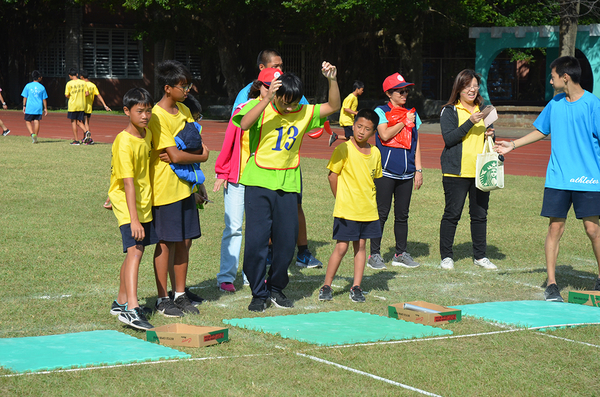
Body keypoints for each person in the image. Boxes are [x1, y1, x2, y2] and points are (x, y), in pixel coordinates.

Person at [233, 61, 340, 312]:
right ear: (276, 94)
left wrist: (332, 80)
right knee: (257, 242)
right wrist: (267, 99)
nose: (290, 106)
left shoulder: (303, 112)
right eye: (285, 101)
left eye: (295, 101)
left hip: (289, 184)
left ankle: (276, 288)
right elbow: (244, 124)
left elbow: (334, 106)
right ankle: (258, 292)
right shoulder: (259, 107)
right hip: (258, 182)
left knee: (286, 241)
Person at [495, 56, 600, 301]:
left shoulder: (594, 105)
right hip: (558, 178)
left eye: (552, 75)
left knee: (593, 229)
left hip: (589, 179)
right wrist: (512, 145)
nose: (550, 80)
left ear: (565, 77)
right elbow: (542, 130)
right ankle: (552, 285)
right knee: (555, 228)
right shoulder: (555, 103)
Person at [232, 49, 322, 269]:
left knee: (294, 210)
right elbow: (239, 128)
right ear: (262, 69)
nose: (280, 70)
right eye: (275, 66)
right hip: (259, 171)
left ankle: (302, 252)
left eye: (282, 65)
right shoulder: (249, 95)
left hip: (288, 168)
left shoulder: (289, 89)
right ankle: (264, 259)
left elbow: (307, 113)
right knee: (260, 223)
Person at [149, 60, 209, 317]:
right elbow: (174, 155)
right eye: (182, 86)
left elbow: (198, 147)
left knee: (184, 242)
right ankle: (163, 299)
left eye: (188, 85)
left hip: (185, 188)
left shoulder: (184, 110)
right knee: (166, 243)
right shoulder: (156, 116)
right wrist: (199, 156)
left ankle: (180, 294)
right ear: (167, 88)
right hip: (165, 190)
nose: (187, 90)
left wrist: (199, 160)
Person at [213, 68, 276, 293]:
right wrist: (222, 171)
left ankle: (253, 276)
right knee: (234, 227)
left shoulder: (280, 112)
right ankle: (226, 277)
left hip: (263, 179)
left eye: (277, 86)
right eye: (269, 85)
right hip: (238, 178)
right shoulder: (243, 109)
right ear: (259, 85)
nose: (272, 90)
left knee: (259, 231)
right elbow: (230, 139)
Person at [319, 109, 382, 303]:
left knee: (361, 246)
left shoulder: (376, 152)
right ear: (353, 126)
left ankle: (356, 287)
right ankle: (326, 285)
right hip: (347, 210)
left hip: (368, 210)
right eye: (359, 126)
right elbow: (332, 176)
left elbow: (374, 179)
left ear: (373, 133)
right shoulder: (343, 149)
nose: (362, 131)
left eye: (367, 129)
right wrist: (341, 198)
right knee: (341, 247)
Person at [107, 87, 158, 330]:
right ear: (127, 111)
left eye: (148, 111)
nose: (145, 115)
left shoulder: (146, 135)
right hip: (128, 203)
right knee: (136, 250)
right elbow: (127, 182)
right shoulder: (123, 141)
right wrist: (134, 219)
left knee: (134, 252)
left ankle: (120, 302)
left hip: (143, 199)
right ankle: (131, 309)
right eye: (140, 111)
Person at [438, 69, 496, 270]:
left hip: (480, 171)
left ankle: (480, 256)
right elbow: (449, 139)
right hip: (456, 172)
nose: (472, 90)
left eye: (475, 86)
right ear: (459, 88)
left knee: (480, 215)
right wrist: (470, 123)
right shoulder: (449, 111)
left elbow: (487, 139)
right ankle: (446, 256)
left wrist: (490, 135)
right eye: (467, 86)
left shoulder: (484, 110)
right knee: (452, 214)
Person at [367, 73, 423, 270]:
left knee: (402, 215)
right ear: (389, 93)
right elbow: (383, 135)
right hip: (385, 172)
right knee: (381, 213)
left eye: (406, 90)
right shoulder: (381, 111)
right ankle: (374, 254)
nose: (405, 94)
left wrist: (419, 169)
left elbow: (416, 143)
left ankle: (400, 253)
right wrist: (402, 122)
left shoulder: (412, 113)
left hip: (407, 173)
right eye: (400, 91)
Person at [80, 69, 111, 144]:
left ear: (82, 76)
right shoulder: (93, 85)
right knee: (86, 123)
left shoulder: (82, 84)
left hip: (83, 106)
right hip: (90, 107)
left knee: (84, 123)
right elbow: (99, 95)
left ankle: (89, 139)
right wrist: (105, 105)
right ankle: (85, 138)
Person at [330, 80, 364, 146]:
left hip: (350, 121)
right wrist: (355, 113)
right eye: (361, 90)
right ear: (357, 89)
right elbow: (346, 108)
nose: (362, 91)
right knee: (353, 138)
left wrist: (356, 112)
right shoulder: (351, 97)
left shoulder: (355, 97)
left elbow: (351, 109)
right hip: (346, 120)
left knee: (350, 137)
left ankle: (336, 136)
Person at [21, 70, 48, 144]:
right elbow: (44, 99)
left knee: (27, 121)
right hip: (38, 107)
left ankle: (32, 134)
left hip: (30, 106)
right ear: (39, 78)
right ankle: (35, 136)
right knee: (37, 121)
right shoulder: (42, 87)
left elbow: (25, 97)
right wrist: (45, 108)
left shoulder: (28, 86)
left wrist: (24, 106)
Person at [64, 68, 88, 145]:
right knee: (79, 121)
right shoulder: (83, 83)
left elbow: (67, 95)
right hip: (81, 105)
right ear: (77, 74)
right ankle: (87, 131)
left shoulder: (69, 83)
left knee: (73, 122)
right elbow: (87, 93)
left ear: (70, 76)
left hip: (73, 105)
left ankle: (76, 140)